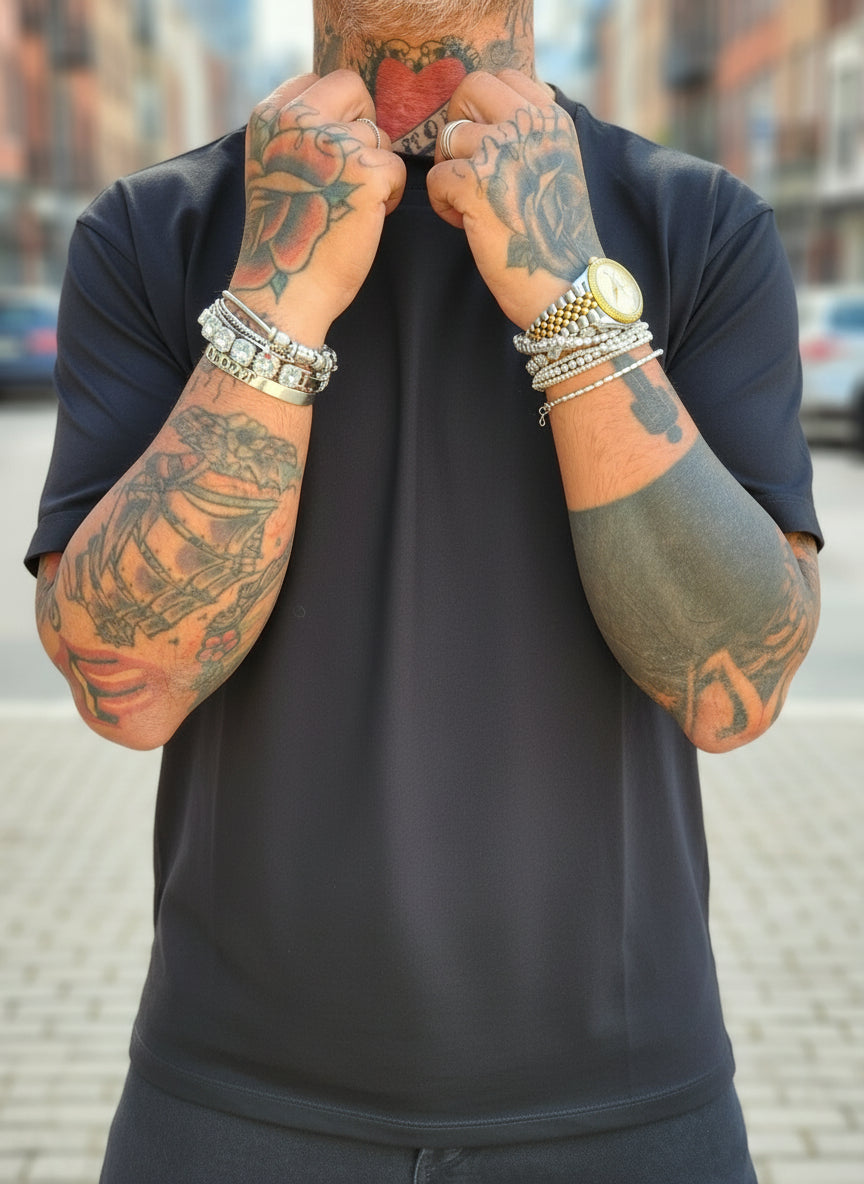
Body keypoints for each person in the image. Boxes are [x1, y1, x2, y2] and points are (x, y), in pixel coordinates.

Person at [28, 1, 822, 1180]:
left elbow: (733, 687)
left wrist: (570, 300)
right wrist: (280, 298)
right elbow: (125, 685)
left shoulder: (700, 223)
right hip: (236, 1100)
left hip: (622, 1102)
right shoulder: (151, 229)